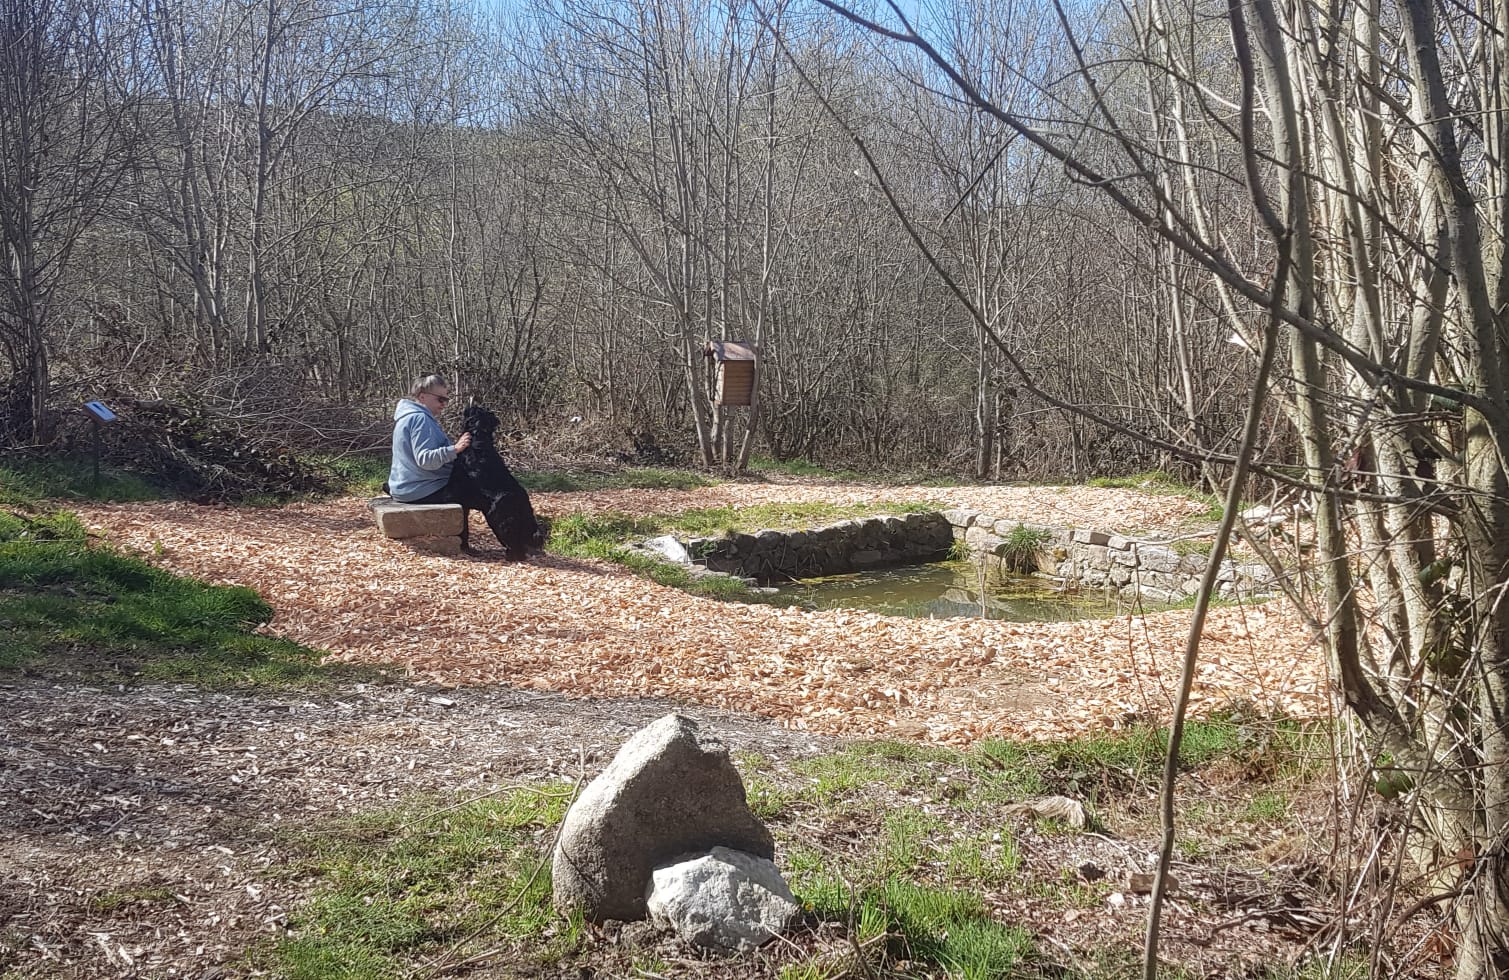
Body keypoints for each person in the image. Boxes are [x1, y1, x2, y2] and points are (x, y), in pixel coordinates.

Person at [387, 374, 472, 503]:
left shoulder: (406, 417)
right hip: (421, 489)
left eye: (446, 400)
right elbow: (425, 460)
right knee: (482, 491)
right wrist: (455, 449)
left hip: (404, 487)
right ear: (422, 397)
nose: (444, 404)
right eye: (440, 399)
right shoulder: (421, 419)